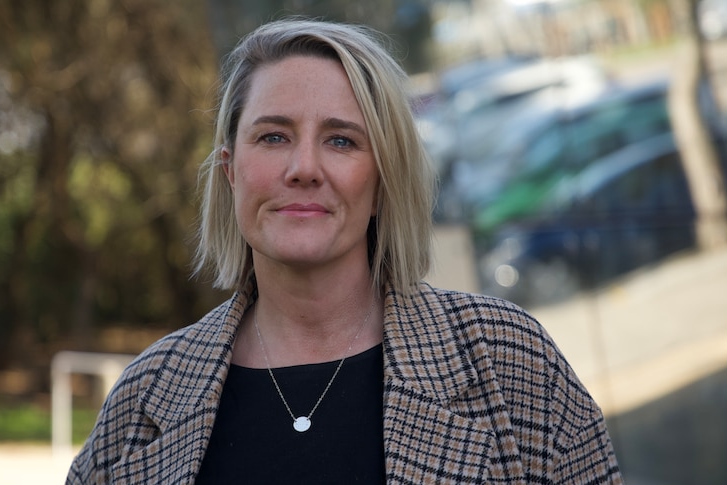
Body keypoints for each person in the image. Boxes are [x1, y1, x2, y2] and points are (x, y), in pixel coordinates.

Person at [67, 17, 622, 484]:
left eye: (341, 140)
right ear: (230, 170)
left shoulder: (509, 361)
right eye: (273, 136)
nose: (304, 168)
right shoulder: (145, 398)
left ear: (381, 181)